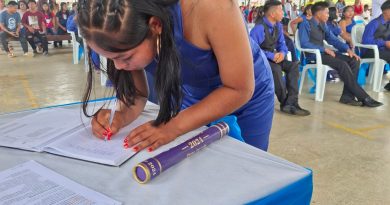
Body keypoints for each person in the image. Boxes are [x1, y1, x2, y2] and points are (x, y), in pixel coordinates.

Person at [78, 0, 275, 151]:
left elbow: (239, 88)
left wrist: (173, 127)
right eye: (110, 58)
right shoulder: (127, 20)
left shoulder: (210, 7)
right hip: (190, 92)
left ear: (155, 25)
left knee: (245, 167)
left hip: (248, 95)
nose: (119, 67)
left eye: (125, 57)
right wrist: (120, 115)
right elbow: (137, 95)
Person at [299, 1, 382, 107]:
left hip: (325, 54)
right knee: (342, 64)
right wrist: (323, 49)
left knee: (354, 60)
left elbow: (333, 39)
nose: (328, 15)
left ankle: (347, 97)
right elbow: (304, 43)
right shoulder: (305, 24)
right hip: (314, 56)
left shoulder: (323, 25)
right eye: (327, 13)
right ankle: (364, 96)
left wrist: (348, 50)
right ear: (319, 14)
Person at [251, 1, 309, 116]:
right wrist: (271, 56)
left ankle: (292, 102)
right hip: (260, 61)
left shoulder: (277, 26)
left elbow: (282, 44)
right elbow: (252, 50)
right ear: (272, 14)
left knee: (293, 66)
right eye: (280, 10)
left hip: (275, 58)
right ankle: (285, 103)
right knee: (276, 70)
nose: (283, 13)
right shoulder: (259, 29)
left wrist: (282, 53)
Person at [362, 0, 390, 91]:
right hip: (370, 51)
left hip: (383, 50)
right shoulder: (374, 23)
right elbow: (366, 41)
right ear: (386, 11)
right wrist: (384, 43)